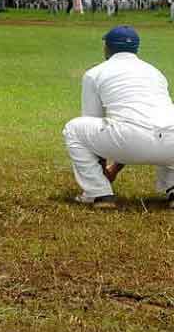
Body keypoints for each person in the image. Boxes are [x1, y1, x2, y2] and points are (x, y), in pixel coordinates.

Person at [63, 26, 174, 210]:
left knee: (74, 129)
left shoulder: (95, 73)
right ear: (136, 49)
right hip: (170, 142)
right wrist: (115, 168)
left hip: (130, 139)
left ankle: (99, 193)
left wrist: (106, 172)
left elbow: (94, 123)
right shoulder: (156, 73)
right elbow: (146, 125)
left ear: (107, 47)